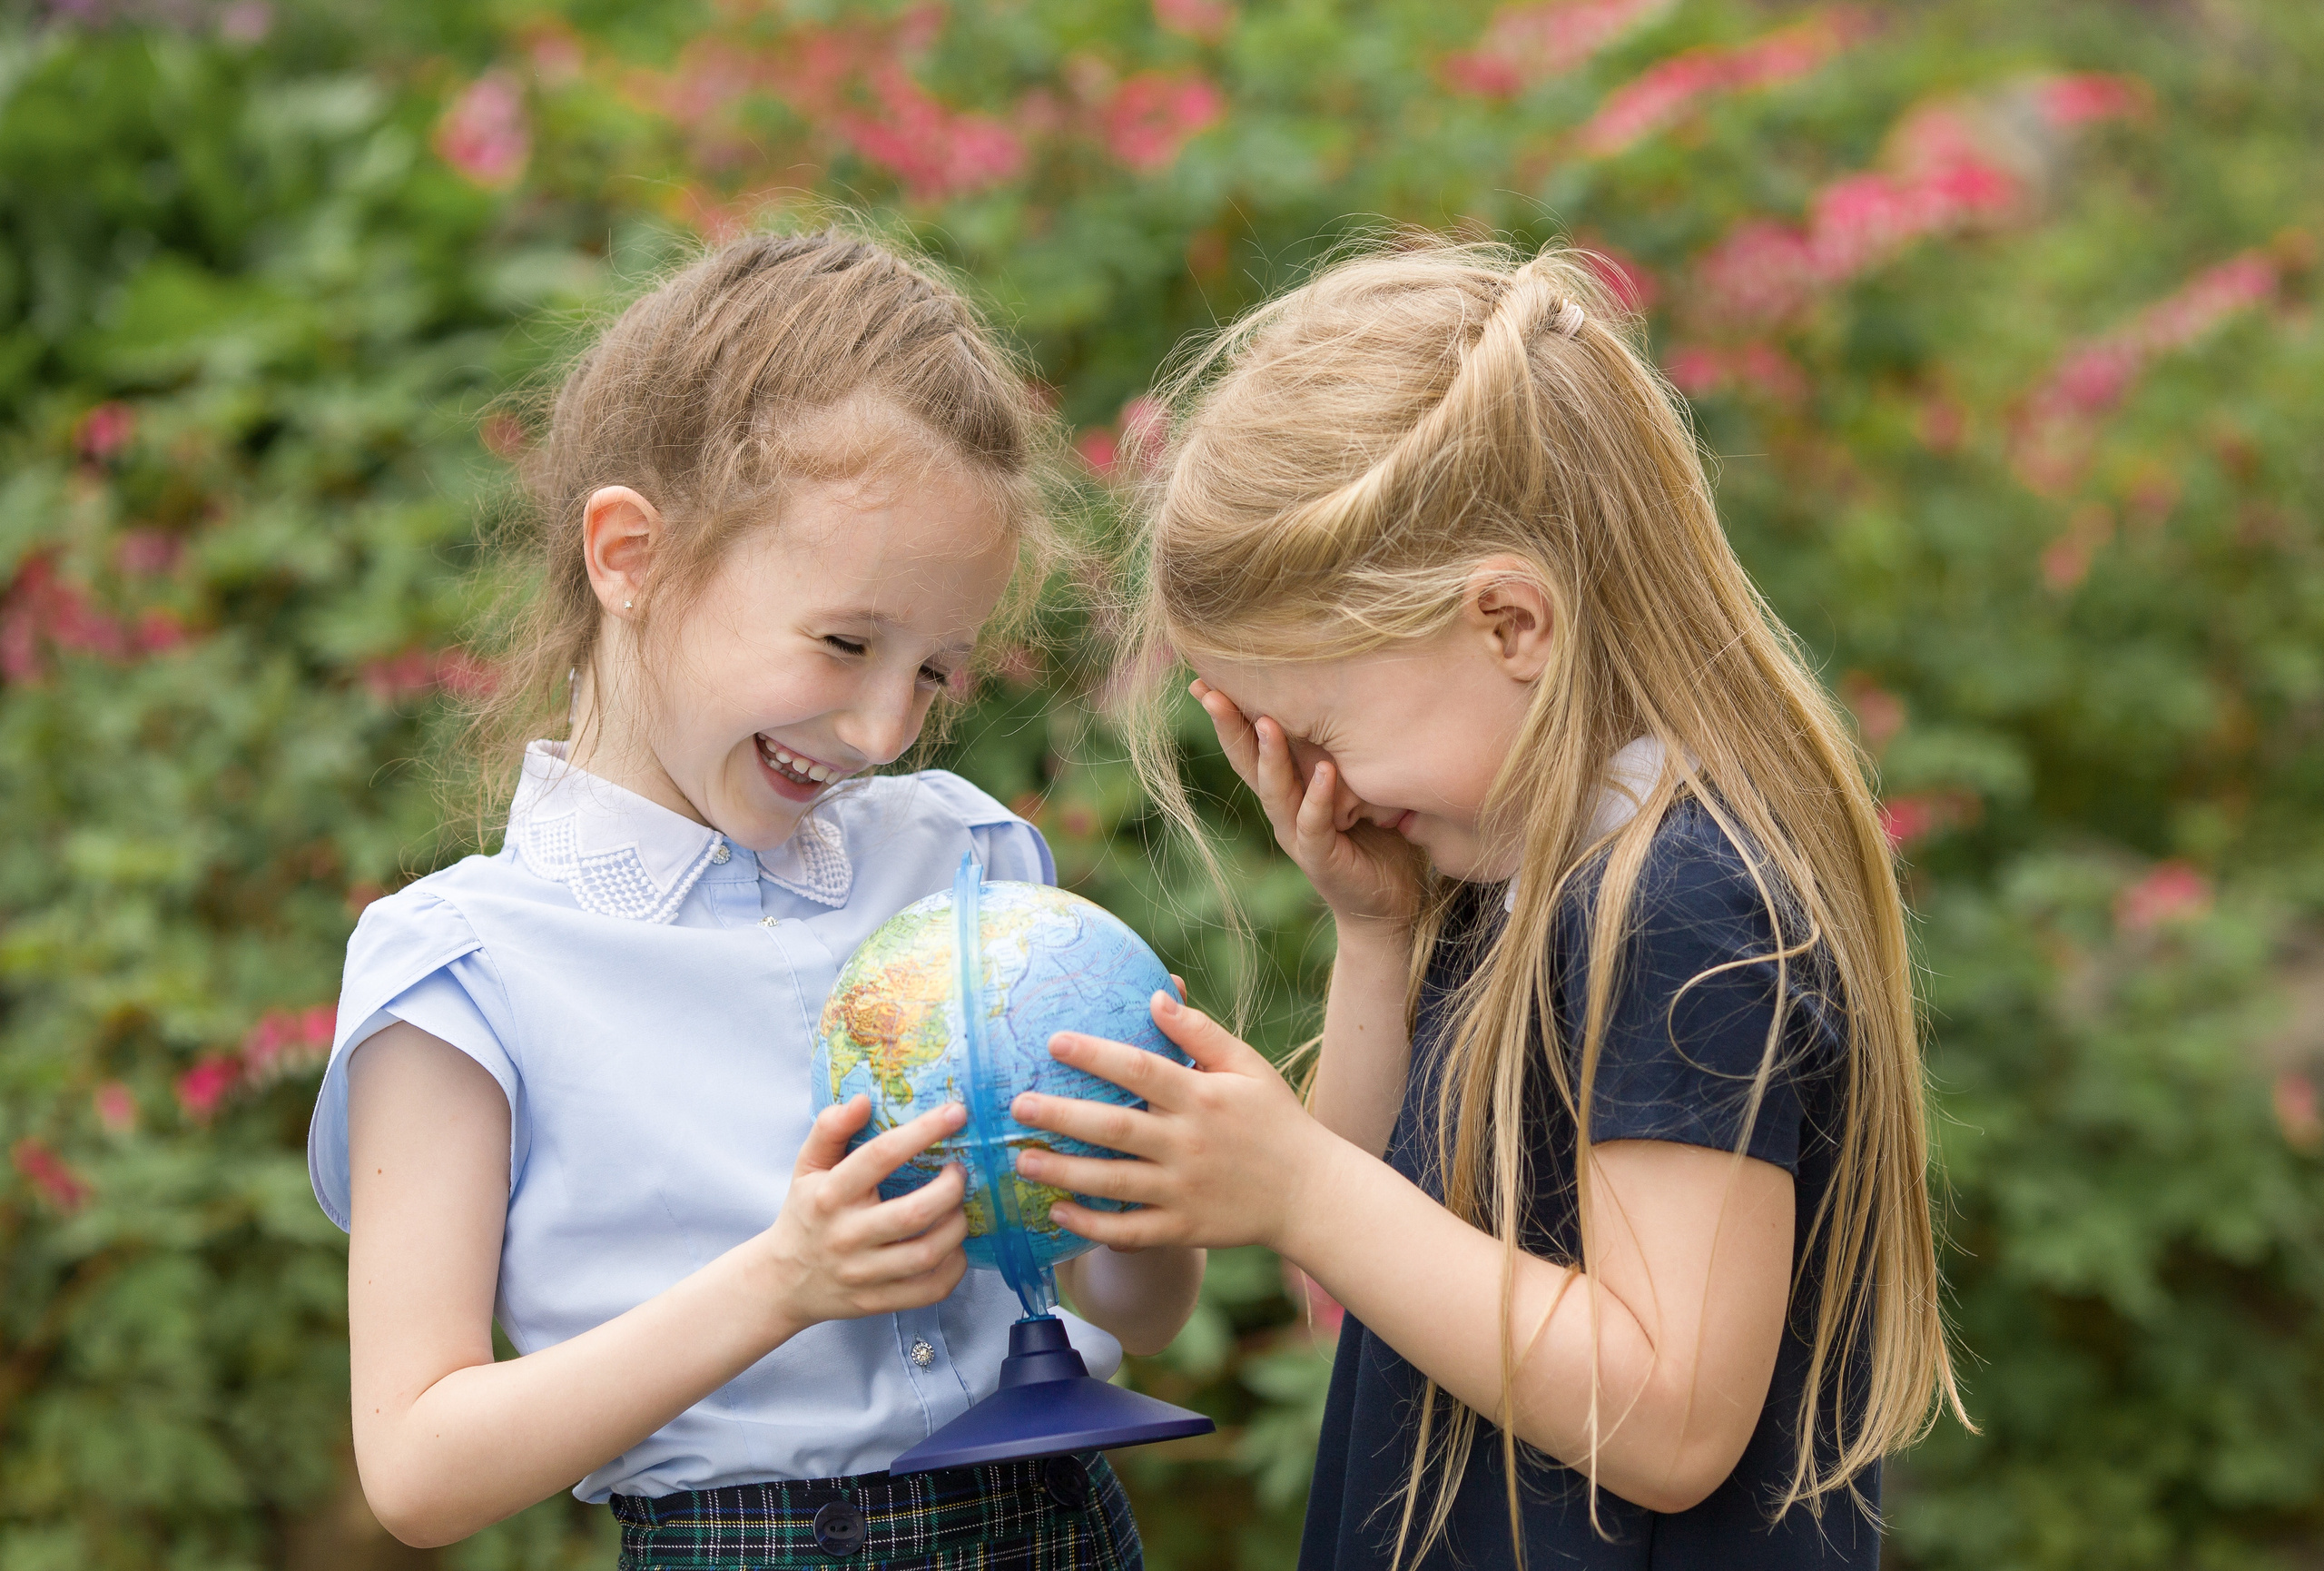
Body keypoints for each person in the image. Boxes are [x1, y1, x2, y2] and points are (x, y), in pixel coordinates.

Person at [1007, 242, 1966, 1569]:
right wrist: (1375, 934)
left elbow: (1672, 1415)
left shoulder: (1680, 902)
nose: (1318, 784)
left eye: (1322, 729)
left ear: (1513, 623)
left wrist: (1299, 1187)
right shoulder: (1507, 873)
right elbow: (1358, 1245)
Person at [304, 230, 1201, 1570]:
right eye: (845, 641)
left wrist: (1149, 1187)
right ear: (629, 555)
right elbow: (419, 1468)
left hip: (1059, 1527)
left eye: (935, 672)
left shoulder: (963, 863)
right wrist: (781, 1283)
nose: (886, 727)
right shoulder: (465, 970)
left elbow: (1135, 1306)